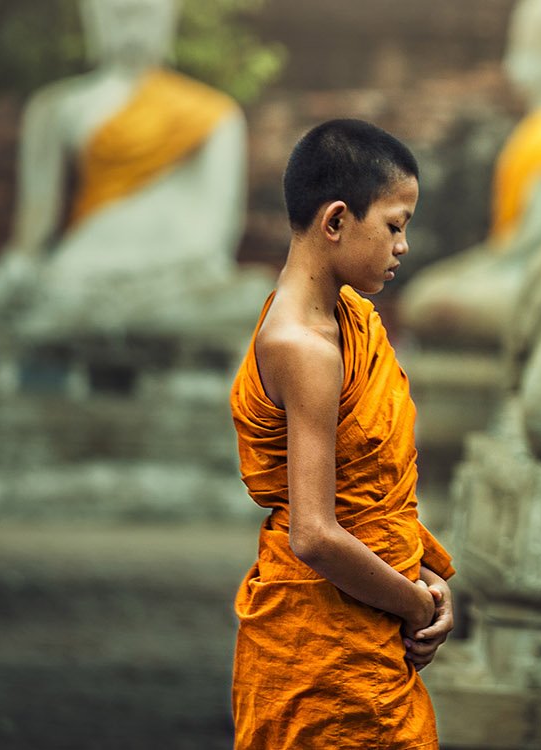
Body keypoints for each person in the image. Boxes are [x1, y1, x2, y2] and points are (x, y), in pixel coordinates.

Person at [229, 119, 457, 748]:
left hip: (368, 613)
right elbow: (317, 535)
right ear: (335, 222)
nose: (402, 246)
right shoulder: (303, 347)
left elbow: (376, 493)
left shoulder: (348, 316)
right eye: (394, 225)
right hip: (320, 649)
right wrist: (414, 605)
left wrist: (424, 581)